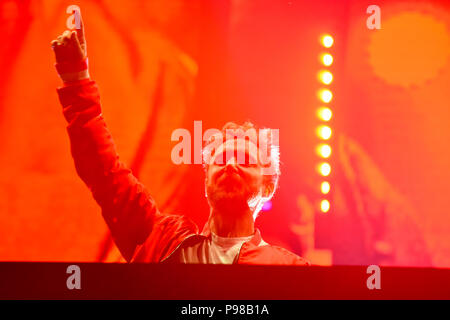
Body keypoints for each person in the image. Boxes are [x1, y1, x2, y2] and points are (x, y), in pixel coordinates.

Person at [51, 13, 309, 265]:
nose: (230, 165)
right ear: (206, 180)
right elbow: (104, 172)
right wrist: (76, 79)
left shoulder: (289, 270)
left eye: (245, 160)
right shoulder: (162, 242)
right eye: (221, 159)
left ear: (267, 187)